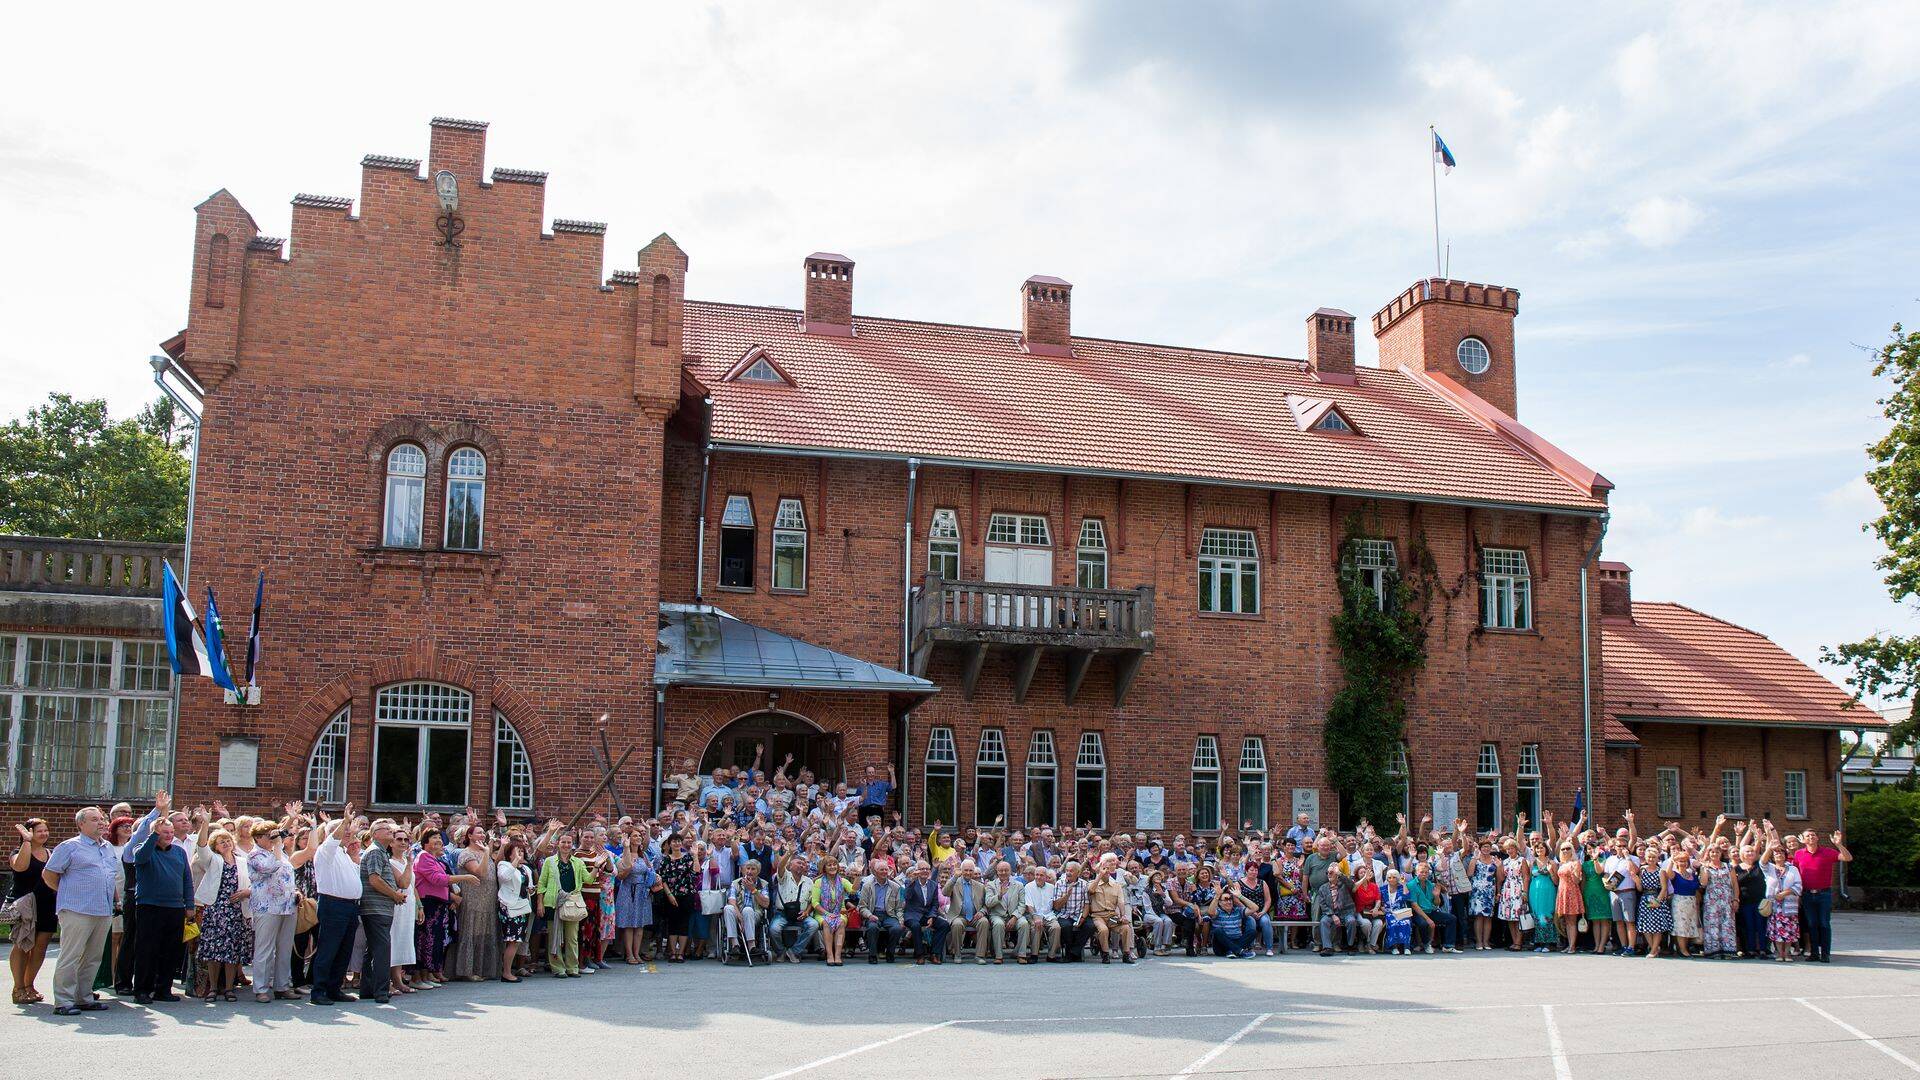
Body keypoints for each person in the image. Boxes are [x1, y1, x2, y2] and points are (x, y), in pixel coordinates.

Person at [40, 807, 116, 1014]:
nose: (101, 822)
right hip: (76, 909)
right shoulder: (69, 847)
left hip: (102, 910)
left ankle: (84, 997)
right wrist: (69, 892)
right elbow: (49, 875)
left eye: (102, 819)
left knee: (93, 957)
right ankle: (63, 1001)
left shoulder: (108, 847)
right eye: (94, 819)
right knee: (70, 956)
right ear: (81, 824)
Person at [129, 795, 195, 1004]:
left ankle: (163, 989)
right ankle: (142, 989)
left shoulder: (179, 852)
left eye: (170, 833)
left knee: (170, 951)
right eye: (164, 833)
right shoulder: (143, 849)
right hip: (150, 906)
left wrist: (189, 905)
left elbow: (187, 879)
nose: (168, 836)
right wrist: (153, 835)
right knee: (147, 950)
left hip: (175, 907)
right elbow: (140, 859)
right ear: (155, 834)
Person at [193, 828, 253, 1001]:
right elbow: (202, 847)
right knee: (214, 950)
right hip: (216, 910)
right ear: (216, 847)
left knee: (232, 951)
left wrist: (246, 892)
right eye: (221, 842)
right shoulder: (214, 860)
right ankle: (213, 988)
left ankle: (229, 988)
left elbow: (253, 882)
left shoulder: (242, 861)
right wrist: (204, 824)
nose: (226, 844)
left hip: (236, 911)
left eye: (227, 840)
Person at [448, 824, 501, 981]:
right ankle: (467, 971)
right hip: (473, 899)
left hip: (489, 899)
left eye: (483, 832)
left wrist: (496, 848)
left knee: (484, 934)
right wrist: (486, 852)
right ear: (469, 836)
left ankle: (483, 968)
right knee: (471, 933)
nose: (482, 835)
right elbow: (481, 872)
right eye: (478, 833)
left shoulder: (484, 851)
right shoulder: (466, 853)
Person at [536, 832, 594, 977]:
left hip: (572, 903)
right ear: (558, 843)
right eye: (563, 842)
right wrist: (540, 903)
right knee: (554, 937)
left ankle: (572, 967)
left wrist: (597, 867)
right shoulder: (549, 861)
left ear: (572, 844)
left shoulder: (578, 862)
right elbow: (542, 884)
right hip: (553, 903)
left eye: (569, 842)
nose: (566, 845)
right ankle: (558, 968)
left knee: (572, 938)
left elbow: (588, 880)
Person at [1791, 829, 1852, 963]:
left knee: (1824, 923)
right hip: (1806, 894)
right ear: (1804, 839)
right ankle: (1814, 953)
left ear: (1817, 838)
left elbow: (1848, 858)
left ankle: (1825, 953)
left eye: (1813, 835)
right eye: (1808, 836)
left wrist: (1839, 844)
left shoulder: (1827, 852)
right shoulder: (1799, 854)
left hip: (1823, 893)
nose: (1811, 837)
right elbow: (1794, 873)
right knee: (1812, 924)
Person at [612, 840, 659, 965]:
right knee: (629, 924)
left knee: (640, 924)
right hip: (628, 890)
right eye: (635, 836)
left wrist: (654, 877)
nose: (638, 838)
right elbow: (620, 877)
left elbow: (650, 870)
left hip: (642, 891)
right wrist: (629, 868)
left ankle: (637, 953)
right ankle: (629, 954)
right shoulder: (623, 856)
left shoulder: (643, 855)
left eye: (639, 836)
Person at [1087, 854, 1136, 964]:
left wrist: (1123, 915)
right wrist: (1099, 876)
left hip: (1111, 916)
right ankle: (1105, 954)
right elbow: (1090, 891)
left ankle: (1126, 954)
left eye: (1108, 870)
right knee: (1103, 930)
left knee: (1125, 928)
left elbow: (1121, 902)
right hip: (1098, 916)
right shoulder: (1093, 883)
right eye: (1105, 868)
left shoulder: (1116, 885)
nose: (1107, 871)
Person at [497, 840, 535, 980]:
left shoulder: (526, 869)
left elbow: (528, 886)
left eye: (522, 850)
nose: (521, 853)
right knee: (512, 940)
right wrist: (515, 862)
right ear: (509, 853)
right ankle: (506, 973)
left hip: (522, 906)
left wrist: (531, 890)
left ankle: (508, 971)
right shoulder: (504, 865)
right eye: (517, 850)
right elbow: (504, 877)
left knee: (517, 940)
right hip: (509, 906)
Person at [769, 856, 816, 963]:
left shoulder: (809, 881)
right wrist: (789, 852)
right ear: (790, 865)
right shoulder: (784, 875)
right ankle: (780, 952)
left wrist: (807, 912)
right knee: (774, 929)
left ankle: (794, 951)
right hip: (782, 913)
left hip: (801, 914)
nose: (801, 865)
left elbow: (812, 901)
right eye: (799, 863)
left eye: (803, 864)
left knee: (814, 925)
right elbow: (780, 866)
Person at [721, 859, 770, 963]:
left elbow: (766, 904)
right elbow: (731, 901)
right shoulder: (736, 883)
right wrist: (739, 916)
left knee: (748, 910)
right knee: (728, 908)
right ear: (743, 870)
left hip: (755, 913)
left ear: (758, 871)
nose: (749, 871)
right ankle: (735, 945)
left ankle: (752, 946)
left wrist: (753, 889)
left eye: (753, 869)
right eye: (748, 868)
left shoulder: (763, 884)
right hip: (738, 913)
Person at [859, 858, 906, 963]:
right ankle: (872, 955)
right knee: (872, 927)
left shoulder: (895, 887)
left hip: (889, 915)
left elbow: (898, 907)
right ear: (875, 872)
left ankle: (890, 952)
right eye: (882, 870)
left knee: (897, 928)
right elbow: (862, 907)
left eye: (886, 870)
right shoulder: (867, 886)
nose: (885, 872)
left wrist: (901, 919)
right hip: (873, 914)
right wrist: (870, 915)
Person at [808, 856, 852, 966]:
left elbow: (853, 891)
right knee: (827, 922)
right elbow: (815, 903)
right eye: (829, 865)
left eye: (834, 864)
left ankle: (837, 955)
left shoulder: (843, 881)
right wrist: (827, 913)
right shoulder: (818, 882)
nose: (832, 867)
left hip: (839, 913)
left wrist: (858, 877)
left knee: (841, 922)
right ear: (824, 868)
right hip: (822, 913)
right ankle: (829, 955)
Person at [1763, 844, 1803, 962]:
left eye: (1781, 853)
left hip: (1789, 904)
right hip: (1775, 904)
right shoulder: (1769, 868)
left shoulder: (1793, 869)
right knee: (1776, 930)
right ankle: (1779, 953)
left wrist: (1784, 893)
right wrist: (1769, 848)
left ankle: (1788, 953)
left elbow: (1798, 885)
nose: (1778, 855)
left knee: (1789, 929)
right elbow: (1762, 861)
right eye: (1776, 854)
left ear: (1785, 856)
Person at [945, 861, 988, 963]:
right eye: (966, 870)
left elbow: (986, 904)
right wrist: (954, 877)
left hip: (975, 916)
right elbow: (945, 892)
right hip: (959, 916)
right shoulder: (955, 883)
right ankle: (957, 954)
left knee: (984, 922)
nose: (968, 873)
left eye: (971, 870)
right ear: (961, 870)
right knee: (957, 924)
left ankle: (979, 956)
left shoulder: (980, 886)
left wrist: (982, 911)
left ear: (974, 872)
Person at [1635, 841, 1672, 959]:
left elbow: (1664, 888)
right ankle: (1654, 948)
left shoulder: (1660, 871)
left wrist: (1657, 902)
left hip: (1656, 898)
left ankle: (1654, 949)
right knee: (1645, 927)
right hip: (1645, 898)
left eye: (1653, 857)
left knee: (1657, 927)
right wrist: (1636, 880)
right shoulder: (1642, 870)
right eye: (1649, 857)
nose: (1651, 859)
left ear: (1657, 858)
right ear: (1645, 858)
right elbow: (1640, 888)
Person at [1554, 842, 1584, 955]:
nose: (1565, 851)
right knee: (1566, 921)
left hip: (1572, 893)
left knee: (1572, 921)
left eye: (1568, 848)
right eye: (1563, 849)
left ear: (1572, 850)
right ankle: (1569, 944)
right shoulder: (1562, 864)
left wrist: (1574, 872)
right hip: (1562, 892)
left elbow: (1577, 881)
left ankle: (1572, 946)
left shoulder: (1575, 863)